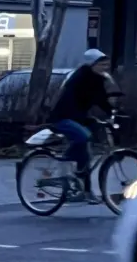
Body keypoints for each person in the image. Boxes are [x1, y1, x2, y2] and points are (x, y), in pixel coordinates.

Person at [47, 49, 117, 203]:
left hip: (78, 117)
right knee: (84, 137)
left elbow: (101, 99)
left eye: (106, 64)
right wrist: (84, 118)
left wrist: (113, 113)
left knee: (87, 156)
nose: (105, 67)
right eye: (101, 64)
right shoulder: (79, 78)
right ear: (92, 64)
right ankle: (65, 161)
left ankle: (85, 191)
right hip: (62, 117)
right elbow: (69, 102)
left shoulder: (97, 80)